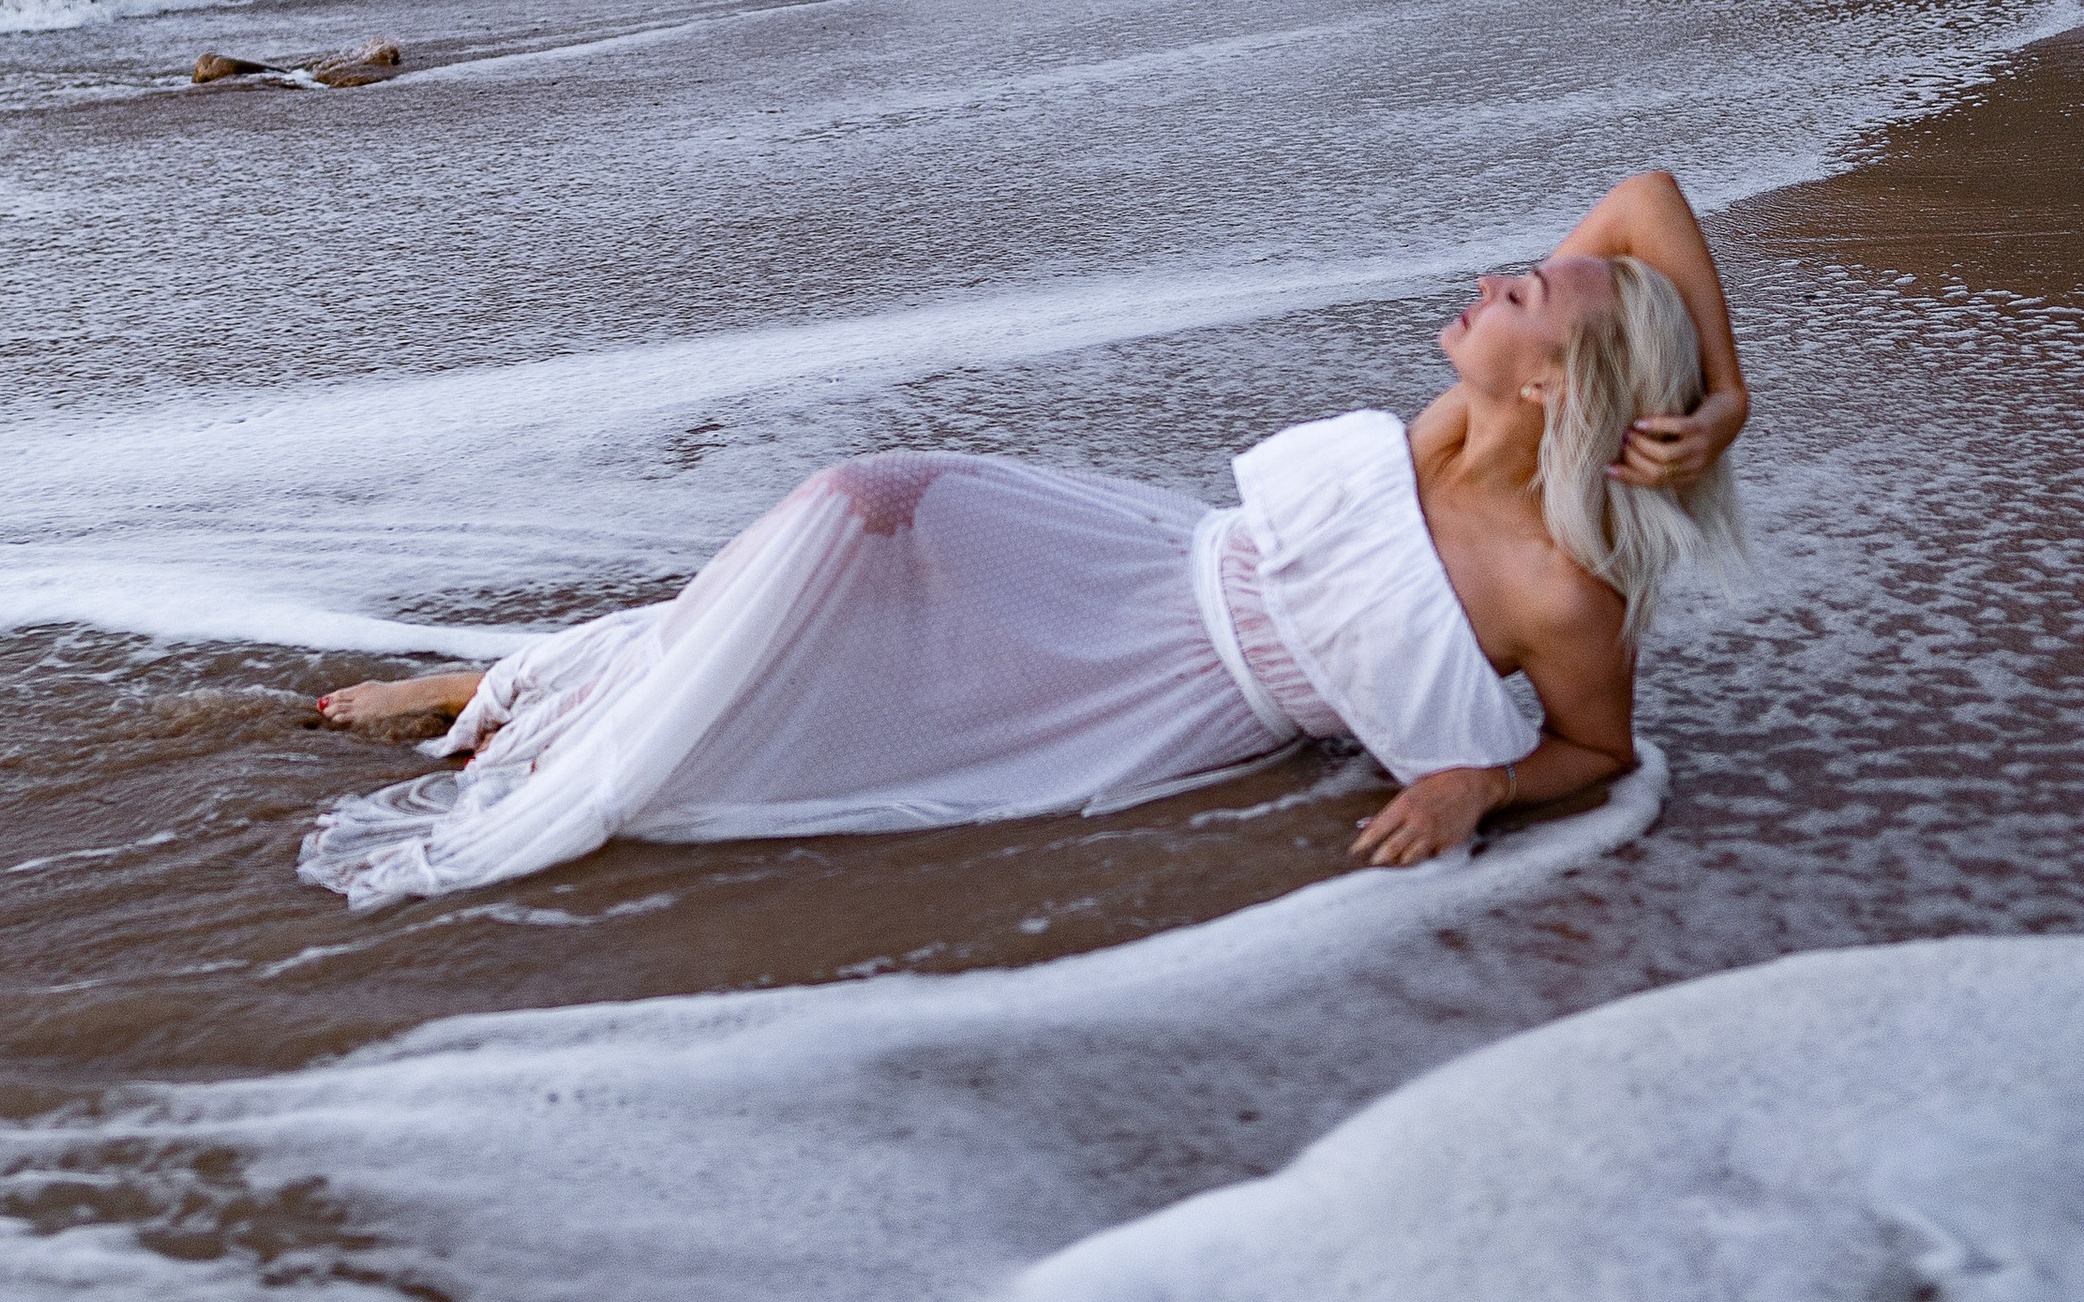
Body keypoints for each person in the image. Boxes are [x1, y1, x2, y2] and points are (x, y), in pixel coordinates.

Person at [302, 170, 1746, 910]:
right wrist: (1725, 394)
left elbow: (1599, 754)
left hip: (1169, 699)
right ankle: (543, 688)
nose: (1494, 279)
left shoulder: (1565, 585)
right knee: (862, 505)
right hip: (1143, 554)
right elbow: (1651, 201)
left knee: (856, 718)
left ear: (1556, 382)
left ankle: (567, 725)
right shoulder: (1456, 419)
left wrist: (1478, 791)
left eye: (1525, 297)